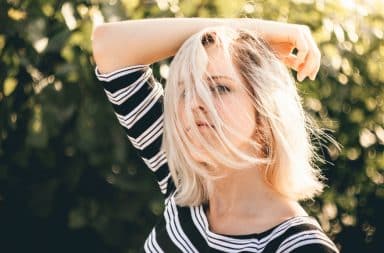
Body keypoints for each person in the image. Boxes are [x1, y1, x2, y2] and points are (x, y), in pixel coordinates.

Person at [92, 17, 340, 252]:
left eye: (220, 87)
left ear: (265, 109)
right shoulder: (182, 177)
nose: (194, 104)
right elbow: (108, 44)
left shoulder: (300, 246)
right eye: (185, 90)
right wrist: (258, 30)